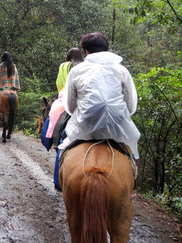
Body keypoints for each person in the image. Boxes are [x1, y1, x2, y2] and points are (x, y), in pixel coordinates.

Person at [58, 32, 140, 160]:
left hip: (86, 123)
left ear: (86, 51)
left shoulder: (76, 70)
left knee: (63, 146)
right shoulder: (122, 70)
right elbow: (130, 104)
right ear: (106, 49)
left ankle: (58, 179)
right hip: (116, 125)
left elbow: (70, 105)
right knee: (130, 157)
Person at [43, 47, 84, 191]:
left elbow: (60, 85)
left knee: (52, 120)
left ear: (68, 57)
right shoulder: (86, 66)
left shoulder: (64, 66)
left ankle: (48, 139)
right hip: (84, 103)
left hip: (65, 100)